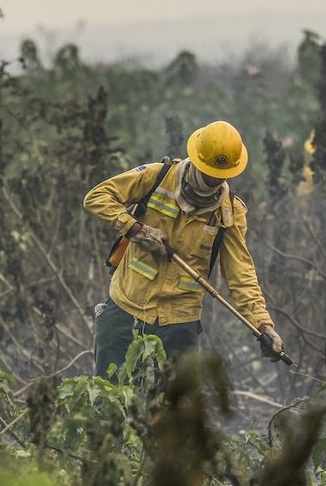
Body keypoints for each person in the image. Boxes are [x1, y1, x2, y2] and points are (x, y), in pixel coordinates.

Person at [84, 120, 282, 379]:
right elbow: (97, 197)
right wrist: (136, 230)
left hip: (180, 323)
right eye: (210, 173)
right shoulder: (157, 177)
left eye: (221, 176)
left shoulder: (230, 212)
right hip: (126, 309)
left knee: (173, 415)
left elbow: (241, 273)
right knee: (109, 402)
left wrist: (262, 323)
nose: (214, 180)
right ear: (197, 160)